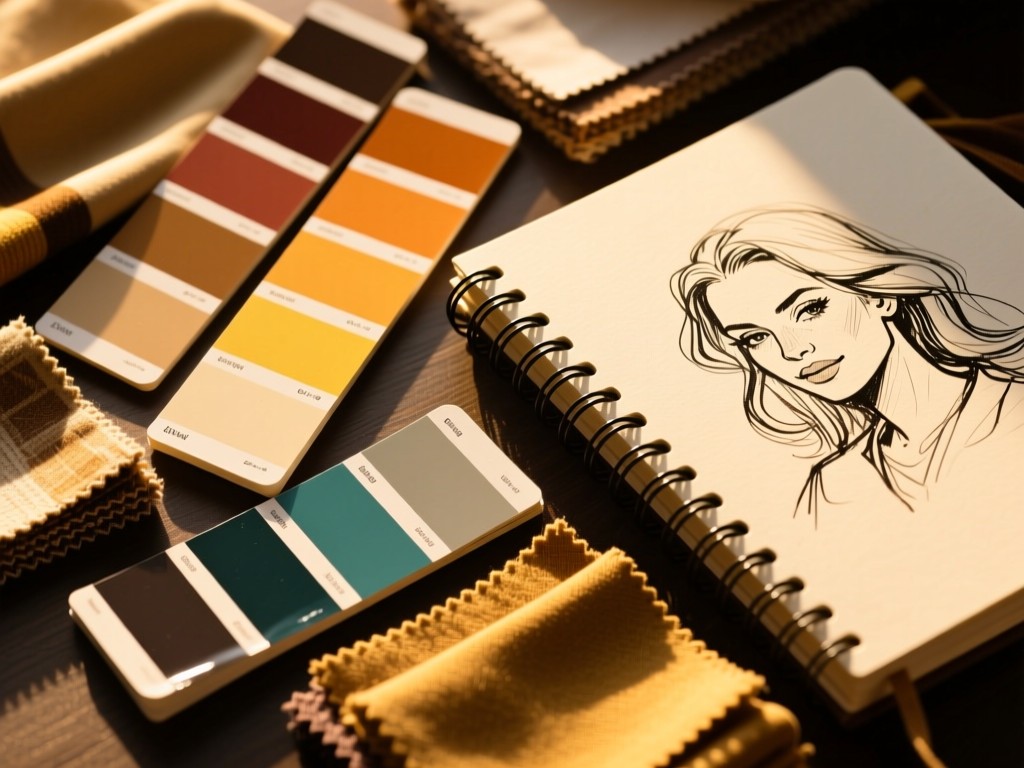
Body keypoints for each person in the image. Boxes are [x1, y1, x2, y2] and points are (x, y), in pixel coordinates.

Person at [670, 206, 1024, 519]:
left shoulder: (1012, 409)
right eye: (755, 338)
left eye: (809, 309)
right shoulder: (836, 485)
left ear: (878, 296)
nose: (792, 352)